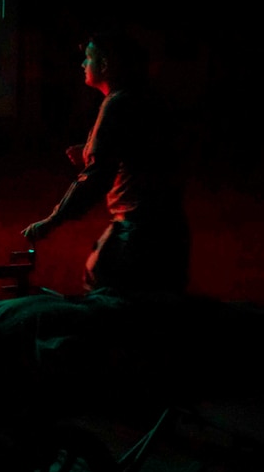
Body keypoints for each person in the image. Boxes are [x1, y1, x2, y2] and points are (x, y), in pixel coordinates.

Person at [22, 29, 190, 294]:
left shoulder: (117, 104)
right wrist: (90, 150)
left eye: (88, 58)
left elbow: (98, 175)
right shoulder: (144, 99)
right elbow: (136, 153)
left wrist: (53, 220)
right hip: (169, 231)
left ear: (105, 64)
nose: (82, 64)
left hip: (137, 233)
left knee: (104, 296)